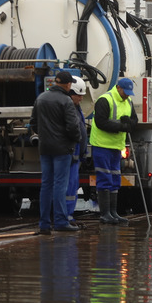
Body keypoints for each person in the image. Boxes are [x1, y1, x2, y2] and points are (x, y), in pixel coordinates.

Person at [30, 70, 82, 233]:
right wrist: (76, 139)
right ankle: (60, 221)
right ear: (68, 84)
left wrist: (45, 136)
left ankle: (44, 224)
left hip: (45, 148)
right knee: (60, 185)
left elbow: (33, 123)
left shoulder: (41, 98)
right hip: (62, 149)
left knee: (46, 184)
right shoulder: (66, 101)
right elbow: (73, 127)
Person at [90, 77, 138, 224]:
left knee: (115, 179)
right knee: (104, 178)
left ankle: (113, 212)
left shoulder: (128, 102)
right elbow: (101, 122)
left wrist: (130, 123)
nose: (127, 95)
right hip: (102, 146)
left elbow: (134, 121)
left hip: (116, 147)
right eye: (125, 92)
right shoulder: (105, 100)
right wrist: (122, 126)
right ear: (118, 88)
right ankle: (105, 214)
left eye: (129, 93)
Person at [66, 77, 89, 227]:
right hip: (71, 152)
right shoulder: (69, 108)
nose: (81, 99)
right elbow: (77, 131)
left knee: (72, 185)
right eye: (79, 95)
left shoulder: (75, 107)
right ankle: (66, 216)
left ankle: (68, 215)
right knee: (69, 185)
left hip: (76, 152)